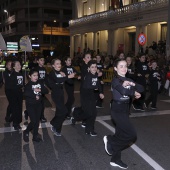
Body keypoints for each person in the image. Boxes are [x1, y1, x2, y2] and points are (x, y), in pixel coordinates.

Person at [103, 58, 144, 169]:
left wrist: (132, 83)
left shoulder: (128, 79)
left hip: (125, 110)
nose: (124, 68)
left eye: (125, 66)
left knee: (120, 135)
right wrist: (133, 92)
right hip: (117, 110)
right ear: (115, 68)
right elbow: (123, 91)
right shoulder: (115, 80)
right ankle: (110, 140)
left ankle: (115, 160)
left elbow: (142, 88)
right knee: (131, 135)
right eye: (121, 66)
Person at [71, 60, 104, 136]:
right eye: (92, 67)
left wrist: (101, 92)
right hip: (85, 97)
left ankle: (89, 130)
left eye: (95, 67)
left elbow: (98, 84)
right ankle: (76, 117)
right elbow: (86, 86)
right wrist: (94, 87)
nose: (94, 68)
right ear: (89, 68)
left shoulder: (95, 75)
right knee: (88, 113)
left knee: (94, 113)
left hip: (91, 95)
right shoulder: (87, 76)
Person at [48, 58, 75, 136]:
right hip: (55, 94)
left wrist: (66, 75)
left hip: (61, 93)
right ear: (53, 65)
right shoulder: (52, 73)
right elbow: (57, 80)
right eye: (57, 63)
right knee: (64, 111)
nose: (59, 65)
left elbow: (70, 82)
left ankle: (56, 128)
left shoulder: (61, 72)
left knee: (59, 112)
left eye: (60, 63)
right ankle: (54, 124)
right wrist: (67, 76)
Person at [23, 69, 49, 142]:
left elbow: (46, 91)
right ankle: (26, 131)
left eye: (37, 75)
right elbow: (25, 94)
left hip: (39, 104)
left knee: (37, 121)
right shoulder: (28, 85)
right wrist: (34, 96)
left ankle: (35, 136)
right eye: (34, 75)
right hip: (30, 105)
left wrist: (39, 90)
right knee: (34, 121)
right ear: (29, 76)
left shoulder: (40, 83)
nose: (36, 77)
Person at [8, 61, 24, 130]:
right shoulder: (12, 75)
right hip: (14, 94)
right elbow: (10, 86)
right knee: (15, 109)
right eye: (17, 65)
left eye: (20, 65)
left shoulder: (21, 74)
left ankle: (18, 122)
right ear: (14, 67)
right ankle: (15, 123)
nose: (19, 66)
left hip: (20, 94)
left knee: (20, 108)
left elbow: (22, 84)